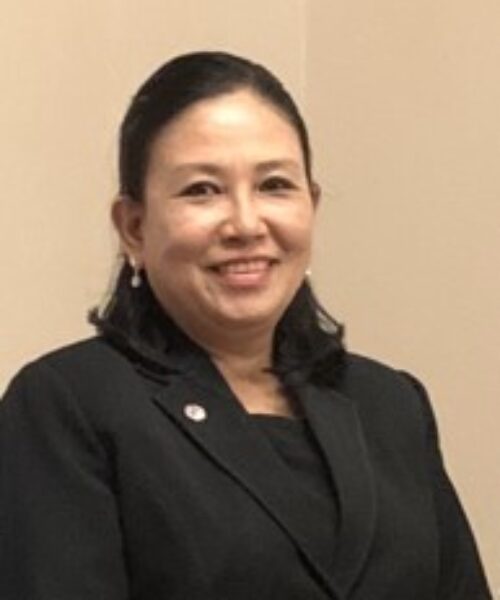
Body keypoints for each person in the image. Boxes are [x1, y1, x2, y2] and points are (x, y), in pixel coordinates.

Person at [0, 51, 492, 600]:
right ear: (134, 226)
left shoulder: (391, 403)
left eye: (274, 185)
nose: (246, 223)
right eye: (202, 190)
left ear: (312, 205)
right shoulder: (68, 405)